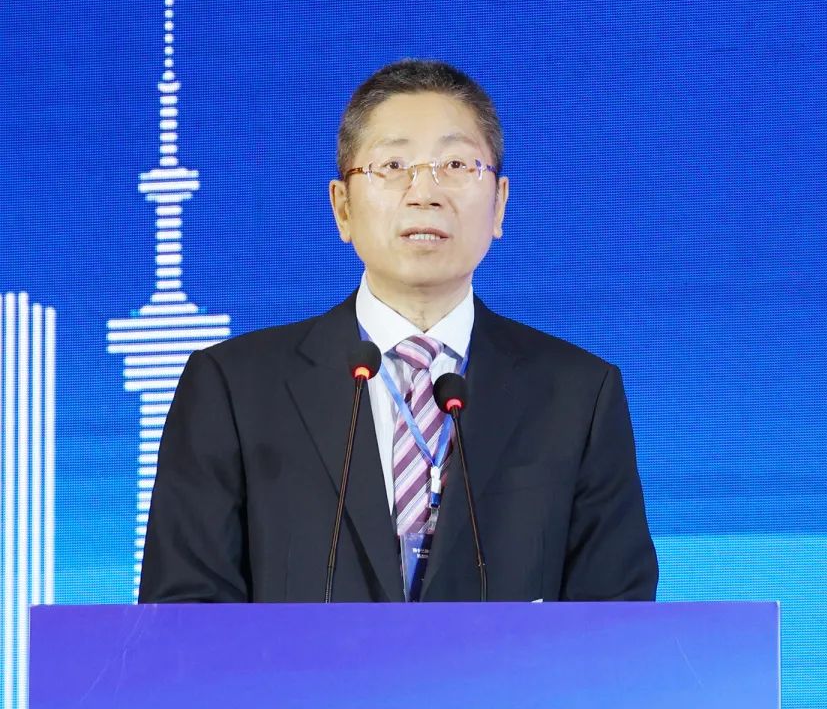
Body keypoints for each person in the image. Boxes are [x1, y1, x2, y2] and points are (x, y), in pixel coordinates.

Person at [139, 59, 658, 603]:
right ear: (342, 207)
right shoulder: (234, 388)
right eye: (392, 165)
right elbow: (183, 613)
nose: (424, 193)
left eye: (455, 164)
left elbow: (617, 622)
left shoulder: (578, 395)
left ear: (500, 204)